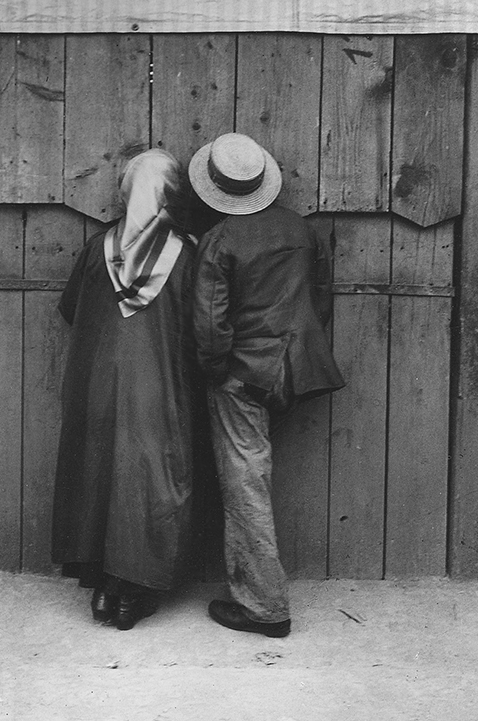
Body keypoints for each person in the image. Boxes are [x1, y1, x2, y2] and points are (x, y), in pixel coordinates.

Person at [189, 133, 345, 638]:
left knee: (245, 484)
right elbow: (320, 302)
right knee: (252, 475)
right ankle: (258, 593)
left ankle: (265, 608)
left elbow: (209, 325)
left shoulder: (220, 239)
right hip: (294, 371)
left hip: (245, 374)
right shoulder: (301, 229)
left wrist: (218, 374)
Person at [51, 148, 197, 630]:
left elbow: (72, 308)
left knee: (98, 471)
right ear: (172, 191)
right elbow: (203, 326)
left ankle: (99, 591)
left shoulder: (99, 248)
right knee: (149, 478)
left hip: (97, 384)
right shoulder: (186, 251)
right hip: (159, 386)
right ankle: (131, 593)